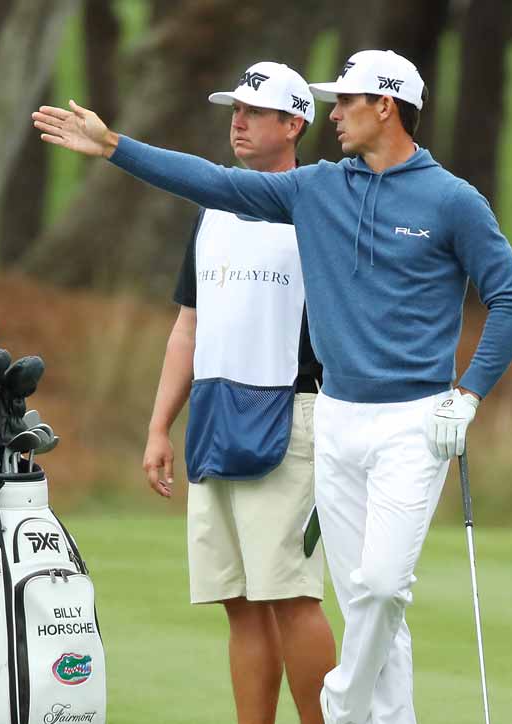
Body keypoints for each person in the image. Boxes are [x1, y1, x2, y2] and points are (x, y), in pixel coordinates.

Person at [34, 49, 512, 724]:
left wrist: (468, 395)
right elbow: (212, 184)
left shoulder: (451, 200)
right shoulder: (318, 189)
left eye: (347, 102)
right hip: (336, 419)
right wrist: (116, 147)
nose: (334, 116)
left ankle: (340, 703)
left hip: (416, 421)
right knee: (364, 600)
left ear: (384, 106)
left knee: (384, 588)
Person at [140, 61, 336, 724]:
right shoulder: (213, 212)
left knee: (290, 597)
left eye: (255, 112)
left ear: (295, 123)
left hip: (293, 414)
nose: (239, 122)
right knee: (241, 603)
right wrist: (159, 426)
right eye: (235, 110)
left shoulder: (320, 207)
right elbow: (187, 328)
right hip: (217, 419)